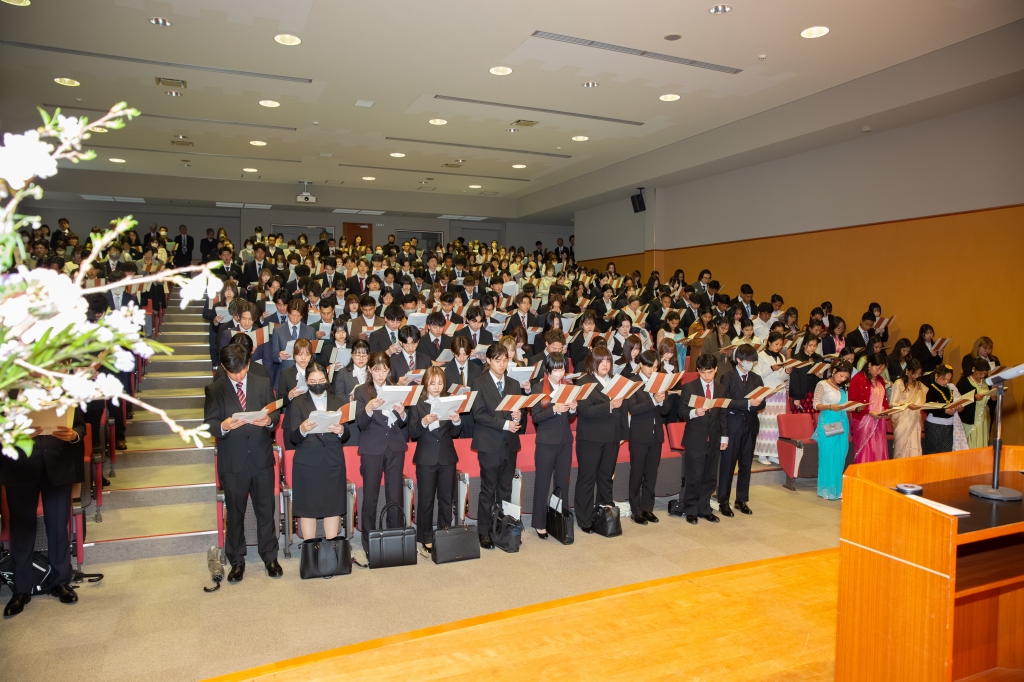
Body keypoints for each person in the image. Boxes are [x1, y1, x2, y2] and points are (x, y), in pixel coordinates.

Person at [203, 344, 282, 582]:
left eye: (242, 370)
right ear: (223, 367)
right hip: (233, 461)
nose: (238, 376)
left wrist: (269, 421)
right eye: (233, 372)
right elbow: (209, 423)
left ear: (248, 363)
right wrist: (223, 426)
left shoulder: (262, 382)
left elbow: (274, 413)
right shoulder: (215, 389)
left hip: (260, 458)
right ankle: (237, 560)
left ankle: (270, 556)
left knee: (266, 510)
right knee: (235, 513)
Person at [0, 404, 85, 617]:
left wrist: (74, 435)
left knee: (58, 527)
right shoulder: (7, 391)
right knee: (21, 530)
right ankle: (21, 589)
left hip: (58, 465)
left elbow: (80, 426)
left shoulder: (64, 391)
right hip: (19, 468)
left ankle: (61, 581)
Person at [285, 362, 349, 544]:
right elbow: (293, 437)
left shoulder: (338, 401)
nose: (317, 384)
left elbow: (347, 434)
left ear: (327, 379)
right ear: (306, 381)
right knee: (308, 508)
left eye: (321, 380)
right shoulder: (298, 403)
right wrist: (303, 429)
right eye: (313, 381)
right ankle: (310, 551)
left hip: (333, 460)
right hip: (307, 462)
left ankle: (333, 548)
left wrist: (341, 431)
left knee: (333, 506)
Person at [353, 352, 409, 553]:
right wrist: (369, 408)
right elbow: (360, 424)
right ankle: (369, 541)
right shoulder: (362, 391)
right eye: (376, 370)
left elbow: (403, 422)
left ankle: (395, 537)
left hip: (395, 445)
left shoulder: (395, 389)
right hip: (372, 447)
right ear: (370, 370)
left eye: (384, 370)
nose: (380, 374)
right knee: (371, 495)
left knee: (395, 494)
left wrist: (402, 414)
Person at [470, 343, 524, 549]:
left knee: (505, 489)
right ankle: (484, 532)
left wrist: (518, 416)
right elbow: (479, 414)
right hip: (489, 443)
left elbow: (518, 412)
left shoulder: (513, 384)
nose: (502, 364)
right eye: (497, 360)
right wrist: (505, 424)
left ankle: (501, 527)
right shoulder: (479, 383)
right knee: (488, 490)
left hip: (509, 444)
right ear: (489, 360)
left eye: (505, 360)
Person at [408, 366, 462, 554]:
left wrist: (456, 420)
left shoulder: (449, 400)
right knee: (426, 499)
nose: (437, 387)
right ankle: (425, 536)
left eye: (440, 383)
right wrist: (424, 421)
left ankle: (444, 533)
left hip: (447, 456)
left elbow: (455, 432)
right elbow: (412, 432)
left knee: (447, 498)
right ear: (425, 384)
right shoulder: (417, 403)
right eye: (433, 383)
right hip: (426, 457)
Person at [674, 353, 729, 524]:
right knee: (693, 477)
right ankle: (690, 509)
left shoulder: (721, 389)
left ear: (716, 370)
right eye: (703, 372)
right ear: (698, 370)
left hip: (714, 438)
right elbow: (681, 412)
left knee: (710, 477)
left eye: (710, 372)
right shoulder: (689, 387)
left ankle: (704, 508)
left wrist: (724, 437)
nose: (707, 376)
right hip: (695, 439)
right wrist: (694, 412)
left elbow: (723, 415)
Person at [528, 353, 576, 539]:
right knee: (542, 483)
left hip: (565, 440)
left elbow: (570, 417)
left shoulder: (568, 386)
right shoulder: (538, 387)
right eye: (555, 369)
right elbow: (536, 417)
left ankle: (559, 519)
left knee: (562, 483)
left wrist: (573, 408)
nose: (559, 373)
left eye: (562, 369)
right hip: (546, 441)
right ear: (547, 370)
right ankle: (539, 523)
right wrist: (554, 410)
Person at [716, 344, 765, 516]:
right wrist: (748, 403)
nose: (750, 363)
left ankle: (741, 499)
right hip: (732, 426)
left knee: (746, 465)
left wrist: (754, 404)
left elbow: (762, 403)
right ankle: (723, 501)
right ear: (738, 360)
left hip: (750, 426)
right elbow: (725, 402)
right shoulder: (727, 377)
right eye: (747, 360)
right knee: (728, 466)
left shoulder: (756, 378)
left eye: (753, 361)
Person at [624, 350, 671, 525]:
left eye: (656, 367)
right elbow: (633, 409)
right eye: (649, 366)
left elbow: (666, 410)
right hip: (639, 434)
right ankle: (636, 510)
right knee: (637, 473)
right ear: (641, 365)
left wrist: (661, 400)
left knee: (651, 473)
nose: (652, 370)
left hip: (656, 434)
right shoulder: (633, 383)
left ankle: (647, 508)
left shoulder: (660, 382)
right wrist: (653, 401)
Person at [812, 360, 852, 500]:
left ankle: (837, 488)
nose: (843, 379)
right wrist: (830, 406)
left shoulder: (843, 387)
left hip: (842, 422)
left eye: (846, 377)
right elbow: (816, 404)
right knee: (828, 455)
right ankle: (826, 489)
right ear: (834, 371)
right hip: (829, 422)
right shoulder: (822, 384)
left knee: (840, 456)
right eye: (841, 376)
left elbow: (845, 404)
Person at [753, 331, 791, 465]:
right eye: (776, 344)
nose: (778, 347)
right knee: (766, 424)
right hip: (767, 393)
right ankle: (762, 453)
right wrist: (771, 368)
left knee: (776, 425)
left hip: (779, 394)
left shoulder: (781, 356)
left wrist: (786, 372)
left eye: (780, 344)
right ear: (769, 342)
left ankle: (774, 453)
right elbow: (757, 376)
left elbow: (781, 378)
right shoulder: (760, 356)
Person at [848, 352, 891, 464]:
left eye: (882, 369)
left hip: (879, 420)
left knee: (878, 448)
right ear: (869, 364)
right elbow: (852, 402)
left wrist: (887, 410)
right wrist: (870, 412)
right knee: (865, 449)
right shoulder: (858, 378)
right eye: (877, 368)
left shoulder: (880, 380)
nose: (879, 372)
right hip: (864, 420)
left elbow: (884, 399)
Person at [889, 359, 926, 458]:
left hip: (915, 420)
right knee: (902, 450)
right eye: (914, 373)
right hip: (902, 421)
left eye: (919, 374)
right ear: (907, 371)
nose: (916, 376)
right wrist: (907, 405)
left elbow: (925, 398)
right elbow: (893, 403)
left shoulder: (919, 385)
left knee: (914, 447)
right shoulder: (898, 383)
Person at [922, 365, 962, 454]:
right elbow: (927, 407)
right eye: (944, 379)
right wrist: (945, 411)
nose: (946, 382)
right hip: (935, 425)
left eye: (948, 379)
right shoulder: (930, 388)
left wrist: (958, 408)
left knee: (946, 453)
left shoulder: (949, 388)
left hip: (949, 425)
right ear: (936, 376)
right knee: (933, 452)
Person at [957, 358, 992, 448]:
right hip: (970, 419)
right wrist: (974, 397)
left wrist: (993, 398)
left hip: (984, 418)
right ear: (973, 369)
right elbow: (958, 400)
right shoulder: (964, 382)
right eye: (980, 373)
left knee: (982, 442)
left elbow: (990, 401)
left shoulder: (987, 382)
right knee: (971, 443)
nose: (983, 376)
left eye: (985, 373)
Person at [277, 337, 314, 409]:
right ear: (294, 354)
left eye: (307, 355)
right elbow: (279, 401)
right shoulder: (285, 374)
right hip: (293, 411)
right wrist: (289, 395)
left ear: (311, 356)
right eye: (300, 354)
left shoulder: (316, 372)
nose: (303, 358)